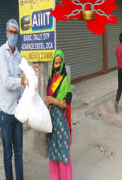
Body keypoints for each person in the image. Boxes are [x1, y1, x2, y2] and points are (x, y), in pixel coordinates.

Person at [0, 19, 25, 180]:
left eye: (16, 32)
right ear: (6, 33)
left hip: (17, 110)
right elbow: (8, 82)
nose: (13, 35)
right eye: (11, 31)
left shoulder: (19, 55)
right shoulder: (2, 52)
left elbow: (20, 80)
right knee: (8, 153)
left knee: (19, 152)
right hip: (5, 111)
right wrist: (21, 81)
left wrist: (23, 97)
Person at [45, 50, 73, 180]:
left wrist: (54, 101)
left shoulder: (65, 80)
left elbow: (67, 103)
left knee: (63, 153)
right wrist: (47, 104)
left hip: (61, 121)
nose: (57, 66)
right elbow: (47, 100)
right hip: (52, 121)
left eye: (59, 63)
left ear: (62, 63)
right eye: (55, 63)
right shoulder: (51, 80)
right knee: (53, 152)